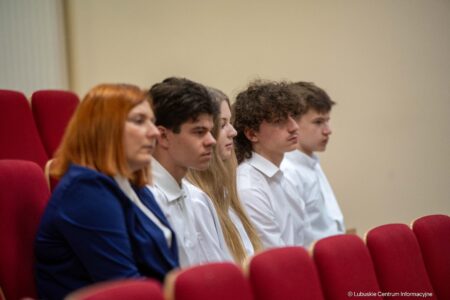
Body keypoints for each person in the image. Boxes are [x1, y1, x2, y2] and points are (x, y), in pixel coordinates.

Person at [34, 84, 179, 300]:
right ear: (104, 128)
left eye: (152, 121)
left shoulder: (132, 184)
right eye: (139, 121)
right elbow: (125, 286)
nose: (154, 132)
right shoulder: (85, 190)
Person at [147, 77, 231, 267]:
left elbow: (221, 271)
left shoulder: (199, 199)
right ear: (163, 136)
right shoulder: (144, 201)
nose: (211, 140)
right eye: (199, 131)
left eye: (210, 131)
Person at [186, 87, 262, 265]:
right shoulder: (197, 201)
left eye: (230, 122)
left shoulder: (224, 191)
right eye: (222, 124)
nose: (234, 132)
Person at [233, 80, 308, 248]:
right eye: (280, 120)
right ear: (252, 134)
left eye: (293, 117)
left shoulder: (283, 175)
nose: (294, 127)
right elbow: (275, 256)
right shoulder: (249, 187)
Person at [281, 81, 345, 247]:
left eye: (327, 121)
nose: (327, 130)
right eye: (318, 122)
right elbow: (297, 240)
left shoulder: (311, 161)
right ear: (292, 124)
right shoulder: (287, 172)